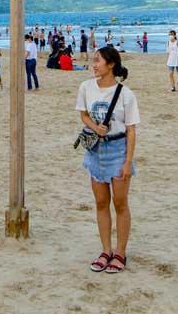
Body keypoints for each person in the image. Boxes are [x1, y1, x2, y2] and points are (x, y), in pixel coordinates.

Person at [76, 46, 139, 275]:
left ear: (111, 64)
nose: (94, 65)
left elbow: (131, 130)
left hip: (118, 149)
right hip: (95, 151)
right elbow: (83, 113)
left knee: (120, 203)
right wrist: (95, 127)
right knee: (101, 202)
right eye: (94, 61)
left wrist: (127, 161)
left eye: (98, 61)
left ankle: (120, 253)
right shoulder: (86, 87)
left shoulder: (125, 94)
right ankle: (106, 250)